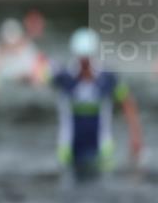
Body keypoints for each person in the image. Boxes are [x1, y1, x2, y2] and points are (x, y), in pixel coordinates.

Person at [51, 28, 143, 183]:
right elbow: (39, 74)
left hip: (101, 147)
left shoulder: (107, 78)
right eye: (81, 57)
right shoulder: (64, 77)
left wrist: (135, 136)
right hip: (68, 148)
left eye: (87, 57)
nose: (84, 61)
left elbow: (127, 102)